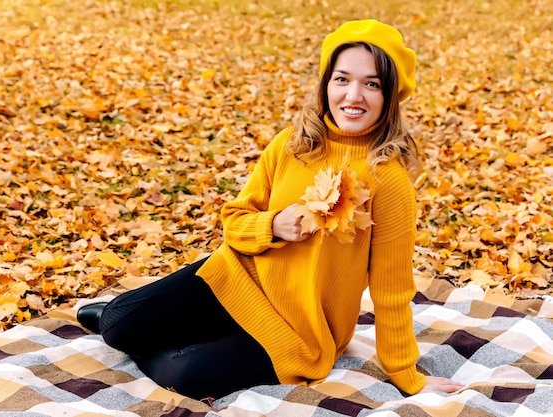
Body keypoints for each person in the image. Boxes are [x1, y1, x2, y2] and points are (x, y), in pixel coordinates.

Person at [77, 19, 464, 399]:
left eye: (372, 84)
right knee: (114, 325)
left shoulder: (388, 181)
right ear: (326, 83)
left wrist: (404, 372)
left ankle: (178, 336)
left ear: (391, 95)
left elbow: (391, 289)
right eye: (342, 79)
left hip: (297, 329)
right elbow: (233, 222)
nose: (353, 95)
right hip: (235, 278)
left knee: (184, 373)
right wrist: (273, 226)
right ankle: (148, 324)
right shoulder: (290, 145)